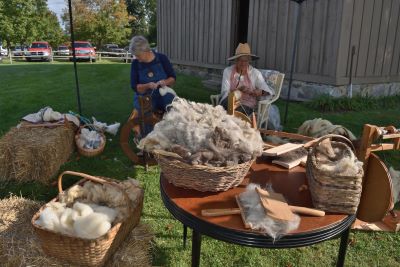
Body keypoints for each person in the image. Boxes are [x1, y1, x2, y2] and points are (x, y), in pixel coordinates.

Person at [129, 35, 176, 136]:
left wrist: (165, 82)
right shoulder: (136, 64)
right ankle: (148, 139)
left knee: (172, 107)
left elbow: (172, 78)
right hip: (145, 95)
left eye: (138, 55)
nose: (137, 58)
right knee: (145, 112)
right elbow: (134, 87)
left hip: (163, 92)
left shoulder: (162, 58)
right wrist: (147, 85)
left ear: (146, 51)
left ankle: (171, 135)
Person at [219, 43, 274, 115]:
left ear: (249, 61)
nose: (243, 63)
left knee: (238, 112)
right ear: (236, 60)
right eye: (240, 60)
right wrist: (237, 91)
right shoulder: (228, 71)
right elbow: (225, 91)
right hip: (229, 101)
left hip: (247, 104)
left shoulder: (255, 73)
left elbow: (268, 91)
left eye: (245, 60)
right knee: (227, 105)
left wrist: (259, 92)